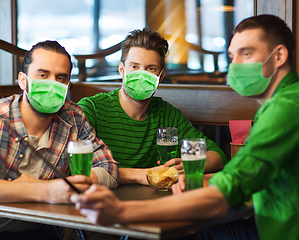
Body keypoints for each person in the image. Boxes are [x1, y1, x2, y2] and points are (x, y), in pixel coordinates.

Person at [71, 15, 299, 240]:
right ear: (122, 70)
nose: (235, 66)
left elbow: (226, 192)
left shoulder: (286, 109)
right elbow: (243, 177)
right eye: (232, 57)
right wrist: (199, 179)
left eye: (246, 54)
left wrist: (123, 211)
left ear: (278, 56)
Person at [0, 40, 119, 240]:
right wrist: (45, 191)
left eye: (60, 78)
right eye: (43, 75)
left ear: (68, 85)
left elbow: (109, 168)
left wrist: (76, 184)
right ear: (23, 80)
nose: (52, 83)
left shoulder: (73, 116)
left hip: (42, 230)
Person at [78, 28, 227, 185]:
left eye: (150, 69)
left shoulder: (168, 114)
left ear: (160, 76)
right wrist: (140, 175)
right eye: (134, 67)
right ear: (122, 70)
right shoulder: (91, 109)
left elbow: (217, 155)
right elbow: (78, 168)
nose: (142, 75)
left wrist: (189, 166)